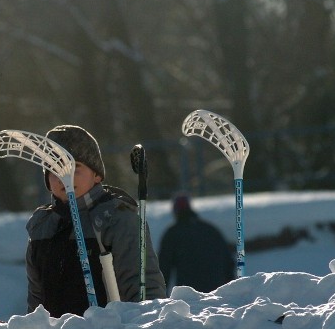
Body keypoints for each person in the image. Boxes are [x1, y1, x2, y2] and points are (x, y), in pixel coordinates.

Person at [26, 124, 166, 316]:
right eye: (54, 168)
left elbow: (145, 289)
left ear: (97, 174)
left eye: (75, 167)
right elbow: (36, 301)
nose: (64, 176)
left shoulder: (117, 218)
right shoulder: (42, 226)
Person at [158, 193, 234, 292]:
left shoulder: (172, 233)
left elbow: (164, 267)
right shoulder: (210, 230)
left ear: (175, 211)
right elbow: (228, 260)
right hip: (217, 291)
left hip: (190, 294)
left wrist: (161, 293)